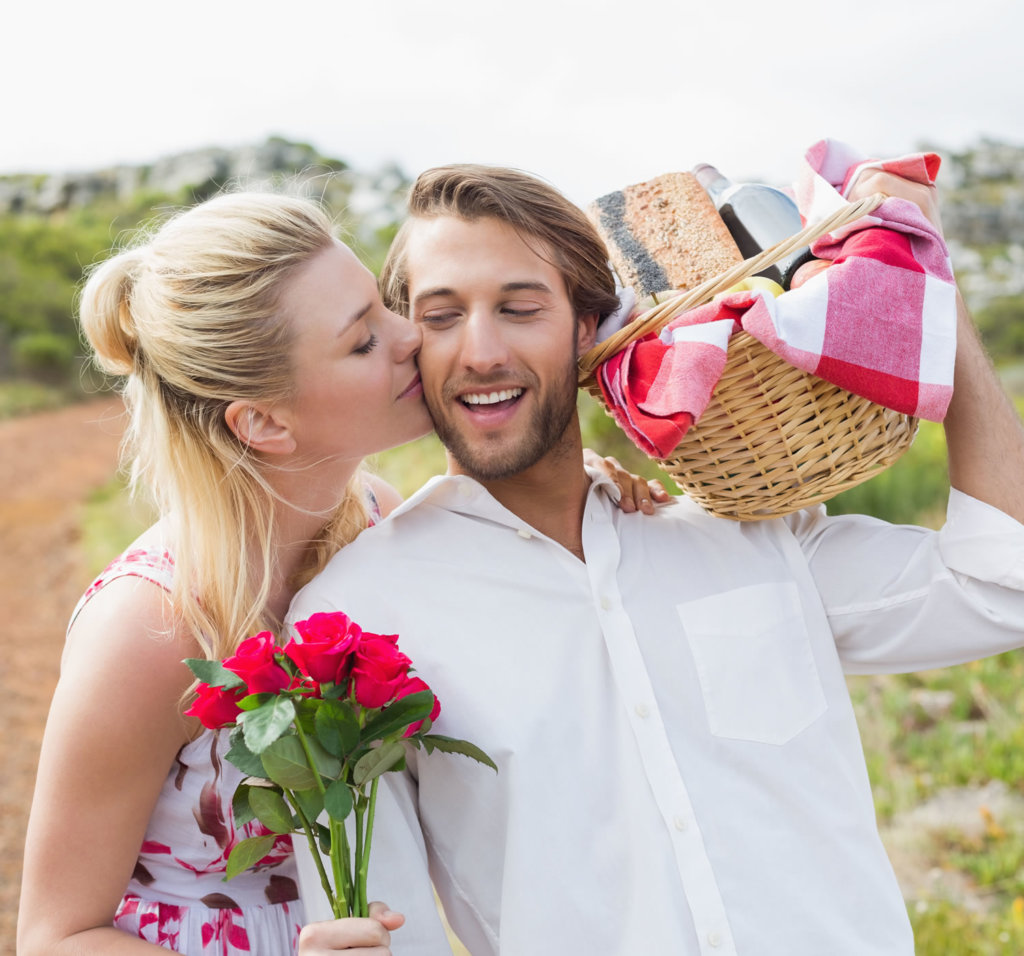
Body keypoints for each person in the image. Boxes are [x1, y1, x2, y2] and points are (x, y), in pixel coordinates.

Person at [288, 163, 1024, 954]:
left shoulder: (749, 533)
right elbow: (385, 927)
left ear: (586, 326)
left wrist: (930, 286)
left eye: (519, 307)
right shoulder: (357, 621)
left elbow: (1000, 587)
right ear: (408, 346)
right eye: (440, 317)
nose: (481, 351)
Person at [16, 189, 663, 956]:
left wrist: (575, 484)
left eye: (383, 307)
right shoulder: (150, 627)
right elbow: (55, 936)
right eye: (363, 341)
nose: (410, 337)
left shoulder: (375, 519)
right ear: (263, 421)